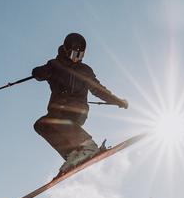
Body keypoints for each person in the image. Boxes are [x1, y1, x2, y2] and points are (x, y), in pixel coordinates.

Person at [32, 32, 129, 177]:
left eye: (80, 56)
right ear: (65, 51)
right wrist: (40, 72)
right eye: (73, 55)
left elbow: (98, 90)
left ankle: (88, 145)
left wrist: (116, 100)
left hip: (77, 110)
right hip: (58, 110)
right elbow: (39, 73)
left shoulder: (85, 70)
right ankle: (73, 153)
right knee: (40, 124)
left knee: (58, 117)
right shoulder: (54, 65)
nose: (77, 59)